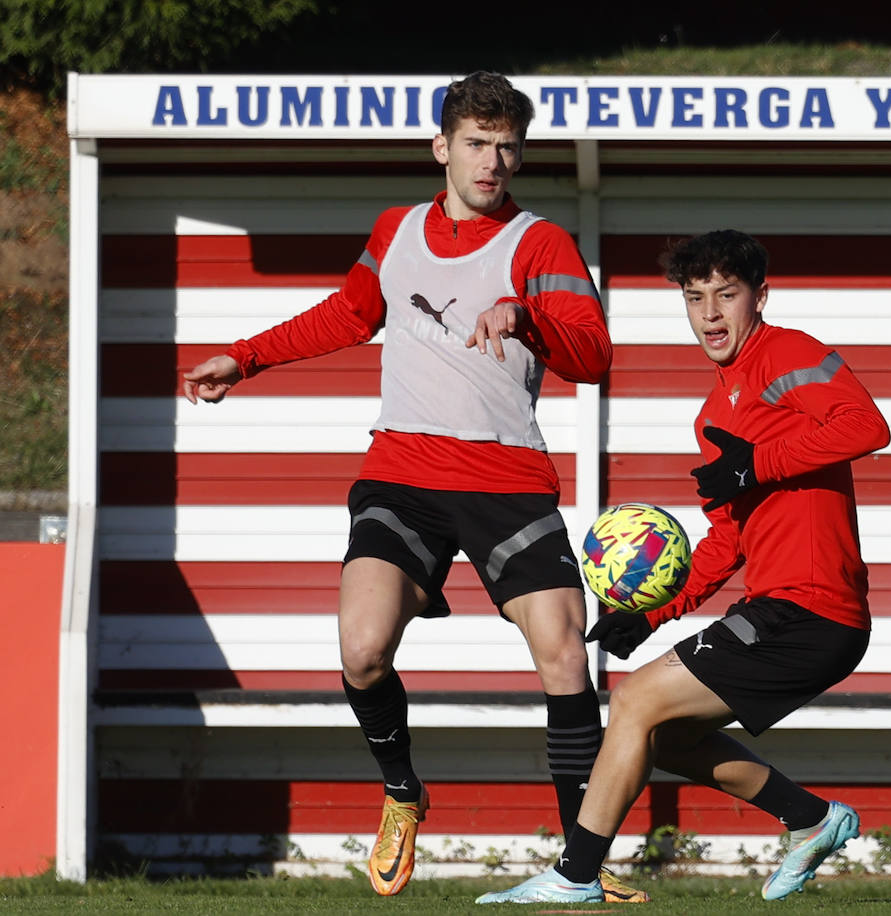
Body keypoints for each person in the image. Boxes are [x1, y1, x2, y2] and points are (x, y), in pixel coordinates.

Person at [180, 71, 648, 903]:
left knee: (565, 656)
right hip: (402, 474)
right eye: (476, 143)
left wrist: (527, 317)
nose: (492, 161)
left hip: (507, 477)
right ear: (442, 148)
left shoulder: (541, 244)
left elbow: (596, 357)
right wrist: (243, 359)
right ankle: (402, 791)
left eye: (507, 146)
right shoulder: (396, 231)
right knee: (361, 651)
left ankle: (582, 864)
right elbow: (346, 314)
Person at [475, 229, 891, 904]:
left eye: (727, 295)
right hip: (776, 607)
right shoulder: (713, 414)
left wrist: (756, 464)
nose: (711, 315)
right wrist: (648, 612)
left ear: (760, 295)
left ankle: (576, 875)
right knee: (659, 734)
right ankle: (811, 820)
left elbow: (867, 425)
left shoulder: (789, 354)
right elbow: (726, 542)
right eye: (696, 298)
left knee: (635, 699)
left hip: (814, 610)